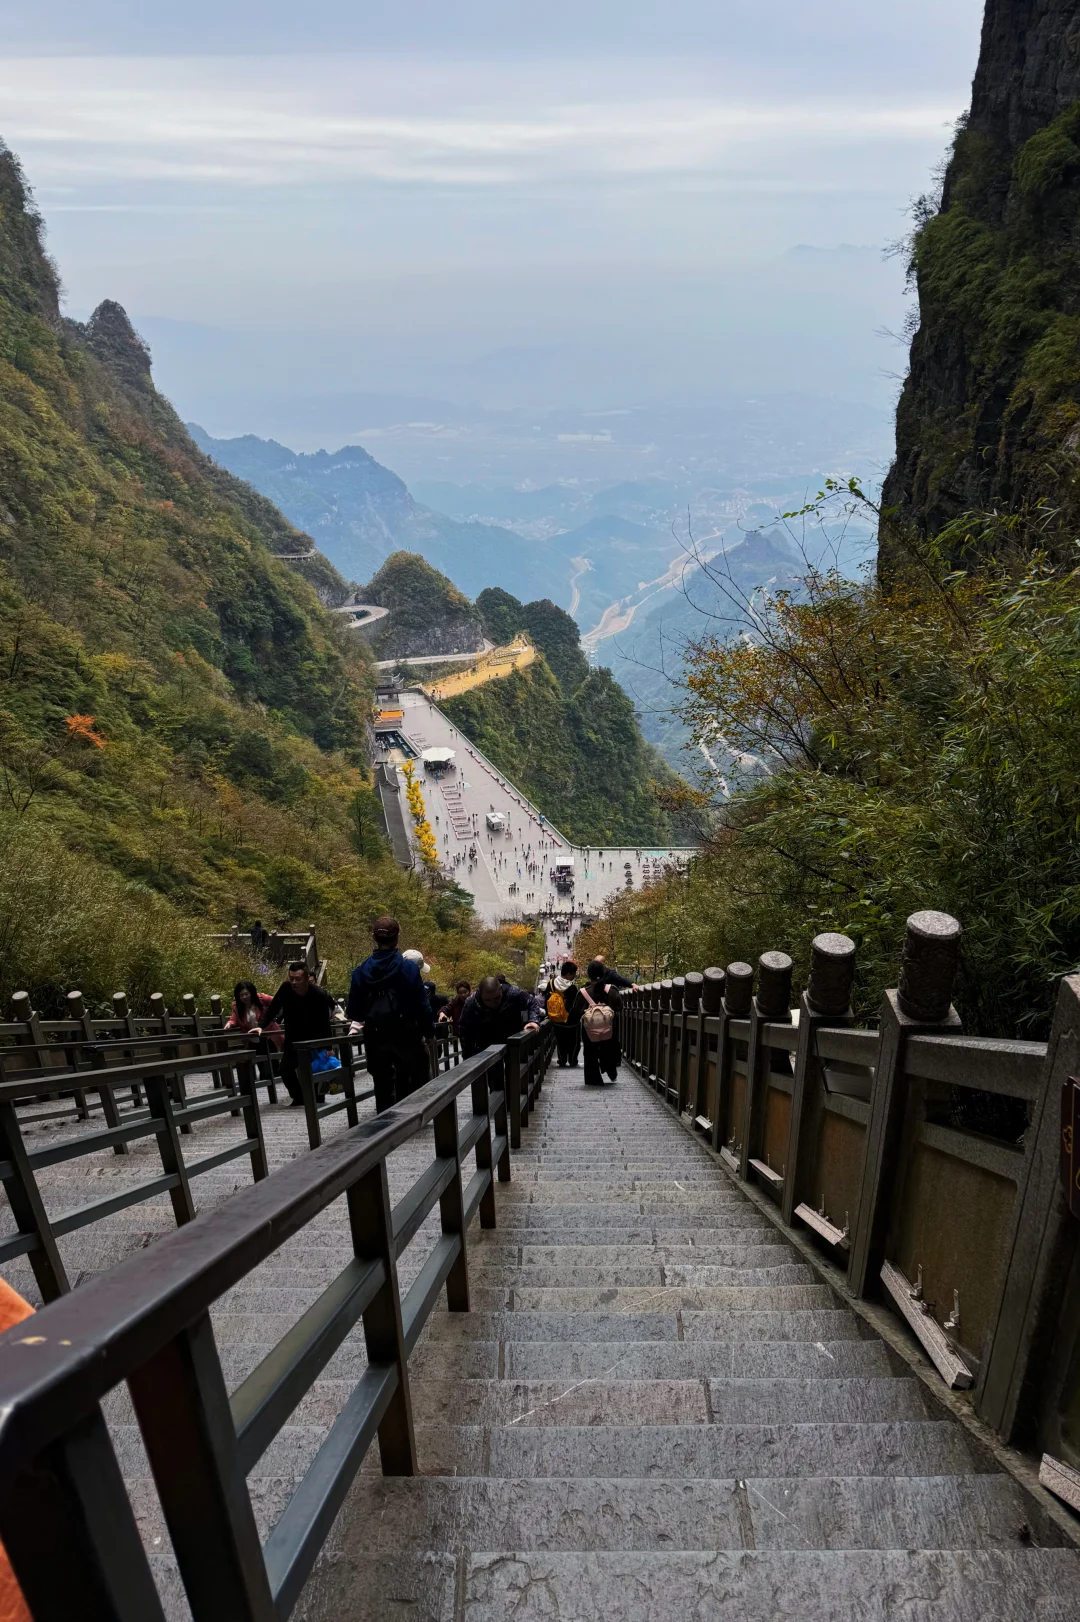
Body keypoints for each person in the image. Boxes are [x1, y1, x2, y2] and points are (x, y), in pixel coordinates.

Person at [347, 916, 434, 1112]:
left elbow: (355, 1011)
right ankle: (416, 1116)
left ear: (373, 938)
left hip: (375, 1035)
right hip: (406, 1032)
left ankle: (384, 1123)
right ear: (397, 937)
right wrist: (429, 1032)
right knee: (417, 1073)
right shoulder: (408, 968)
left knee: (382, 1082)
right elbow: (422, 1005)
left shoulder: (360, 971)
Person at [262, 962, 336, 1106]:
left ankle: (317, 1097)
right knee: (285, 1070)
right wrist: (260, 1026)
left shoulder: (318, 994)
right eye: (291, 978)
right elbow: (273, 1008)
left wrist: (328, 1046)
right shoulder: (286, 989)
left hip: (315, 1038)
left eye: (297, 979)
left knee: (315, 1069)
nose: (294, 982)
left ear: (307, 978)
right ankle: (299, 1097)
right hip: (293, 1039)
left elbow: (324, 1022)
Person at [459, 975, 542, 1058]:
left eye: (497, 998)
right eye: (488, 1000)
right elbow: (464, 1027)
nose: (493, 1003)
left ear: (500, 989)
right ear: (480, 994)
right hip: (486, 1042)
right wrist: (468, 1056)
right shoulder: (471, 1002)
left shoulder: (513, 992)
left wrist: (533, 1020)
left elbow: (532, 1002)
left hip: (512, 1038)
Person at [225, 979, 282, 1079]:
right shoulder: (237, 1007)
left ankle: (275, 1079)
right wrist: (230, 1023)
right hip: (252, 1038)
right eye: (241, 995)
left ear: (251, 992)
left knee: (272, 1060)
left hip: (268, 1034)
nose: (244, 997)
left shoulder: (262, 999)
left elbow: (277, 1003)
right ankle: (265, 1079)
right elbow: (233, 1018)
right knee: (260, 1060)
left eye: (246, 994)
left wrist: (275, 1016)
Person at [580, 957, 621, 1087]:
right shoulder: (612, 990)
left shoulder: (583, 992)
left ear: (589, 974)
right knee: (609, 1046)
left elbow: (575, 1011)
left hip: (589, 1030)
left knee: (590, 1051)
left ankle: (593, 1078)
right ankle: (610, 1067)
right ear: (603, 973)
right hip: (609, 1028)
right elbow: (619, 1006)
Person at [544, 959, 582, 1068]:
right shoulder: (572, 987)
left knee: (560, 1042)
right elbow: (575, 1005)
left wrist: (549, 1013)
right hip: (572, 1021)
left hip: (557, 1019)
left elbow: (546, 999)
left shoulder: (551, 983)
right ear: (569, 974)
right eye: (574, 974)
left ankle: (562, 1060)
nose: (574, 976)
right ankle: (572, 1060)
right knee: (574, 1042)